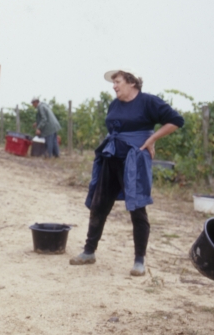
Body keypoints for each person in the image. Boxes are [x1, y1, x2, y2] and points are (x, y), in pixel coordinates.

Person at [69, 69, 183, 276]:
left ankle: (139, 260)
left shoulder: (148, 102)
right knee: (99, 204)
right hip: (111, 158)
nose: (114, 86)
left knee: (137, 208)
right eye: (113, 82)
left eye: (117, 81)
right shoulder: (114, 104)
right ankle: (89, 252)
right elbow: (114, 129)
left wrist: (151, 140)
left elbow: (176, 120)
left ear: (132, 82)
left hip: (134, 161)